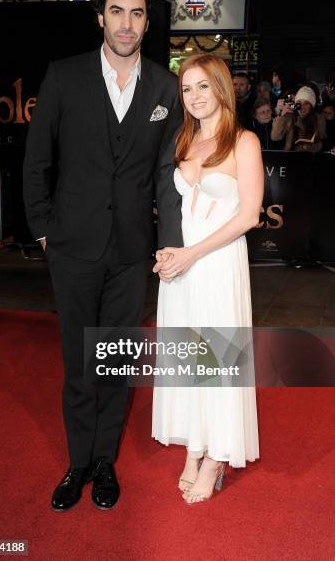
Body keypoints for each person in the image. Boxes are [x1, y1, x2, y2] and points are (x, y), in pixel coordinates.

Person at [23, 0, 183, 512]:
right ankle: (76, 463)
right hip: (72, 246)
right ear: (100, 18)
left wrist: (172, 242)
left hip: (131, 250)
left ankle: (104, 463)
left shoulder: (165, 86)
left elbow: (166, 172)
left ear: (146, 23)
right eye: (117, 10)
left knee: (115, 362)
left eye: (137, 12)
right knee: (78, 363)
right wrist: (43, 230)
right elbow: (37, 161)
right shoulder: (64, 76)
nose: (126, 22)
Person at [152, 53, 263, 504]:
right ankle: (195, 445)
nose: (195, 97)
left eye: (203, 87)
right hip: (182, 268)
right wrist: (170, 250)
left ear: (221, 88)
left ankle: (216, 454)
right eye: (187, 89)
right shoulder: (182, 141)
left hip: (216, 262)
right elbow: (173, 208)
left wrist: (194, 253)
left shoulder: (244, 142)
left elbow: (250, 215)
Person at [271, 86, 326, 152]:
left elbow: (322, 142)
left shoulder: (319, 119)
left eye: (306, 103)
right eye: (299, 103)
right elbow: (275, 137)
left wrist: (310, 148)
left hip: (312, 157)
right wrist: (281, 116)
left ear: (312, 105)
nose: (302, 107)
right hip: (291, 157)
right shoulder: (289, 116)